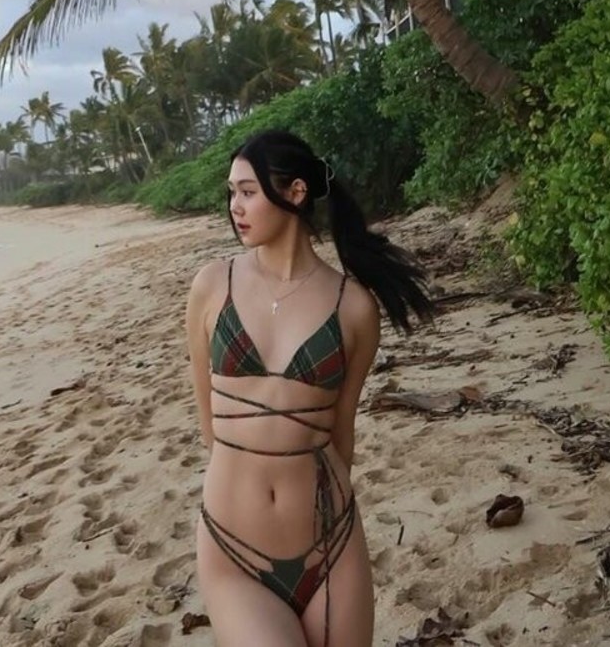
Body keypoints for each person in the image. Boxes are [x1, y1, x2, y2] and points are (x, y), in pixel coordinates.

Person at [185, 129, 435, 647]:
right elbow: (209, 425)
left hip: (332, 544)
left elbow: (341, 434)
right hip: (235, 548)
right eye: (231, 193)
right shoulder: (213, 285)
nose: (235, 207)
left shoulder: (353, 306)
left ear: (296, 193)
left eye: (248, 192)